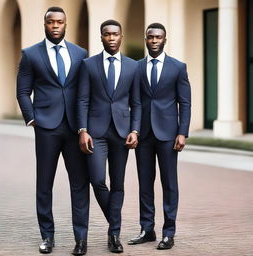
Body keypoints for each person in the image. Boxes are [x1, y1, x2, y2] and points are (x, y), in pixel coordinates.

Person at [17, 7, 89, 255]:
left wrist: (85, 125)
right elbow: (23, 91)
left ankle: (81, 239)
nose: (55, 25)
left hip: (74, 128)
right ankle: (47, 236)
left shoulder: (81, 54)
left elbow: (84, 92)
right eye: (51, 22)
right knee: (44, 183)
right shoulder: (30, 54)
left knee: (79, 184)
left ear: (66, 24)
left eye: (59, 22)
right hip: (46, 128)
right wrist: (32, 119)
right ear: (45, 24)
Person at [77, 19, 141, 253]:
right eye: (107, 34)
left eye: (115, 34)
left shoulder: (133, 66)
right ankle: (115, 223)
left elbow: (136, 102)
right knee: (97, 180)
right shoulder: (88, 65)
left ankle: (113, 235)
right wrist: (82, 130)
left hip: (122, 133)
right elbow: (82, 99)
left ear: (121, 36)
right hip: (96, 132)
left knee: (119, 184)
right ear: (101, 37)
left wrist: (135, 130)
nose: (111, 38)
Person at [128, 23, 191, 250]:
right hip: (143, 134)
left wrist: (182, 132)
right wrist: (132, 129)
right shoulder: (135, 68)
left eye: (158, 37)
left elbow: (184, 102)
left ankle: (169, 232)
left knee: (169, 184)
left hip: (168, 135)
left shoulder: (178, 67)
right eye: (151, 37)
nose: (154, 41)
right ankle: (147, 229)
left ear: (165, 39)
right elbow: (133, 101)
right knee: (145, 183)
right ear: (146, 39)